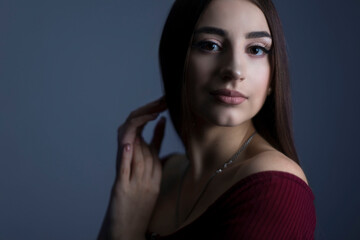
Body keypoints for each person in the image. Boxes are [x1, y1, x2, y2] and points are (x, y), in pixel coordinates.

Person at [98, 0, 317, 239]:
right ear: (177, 60)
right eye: (210, 45)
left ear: (273, 76)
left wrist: (123, 231)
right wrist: (120, 209)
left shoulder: (275, 188)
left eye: (256, 49)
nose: (234, 70)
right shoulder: (155, 178)